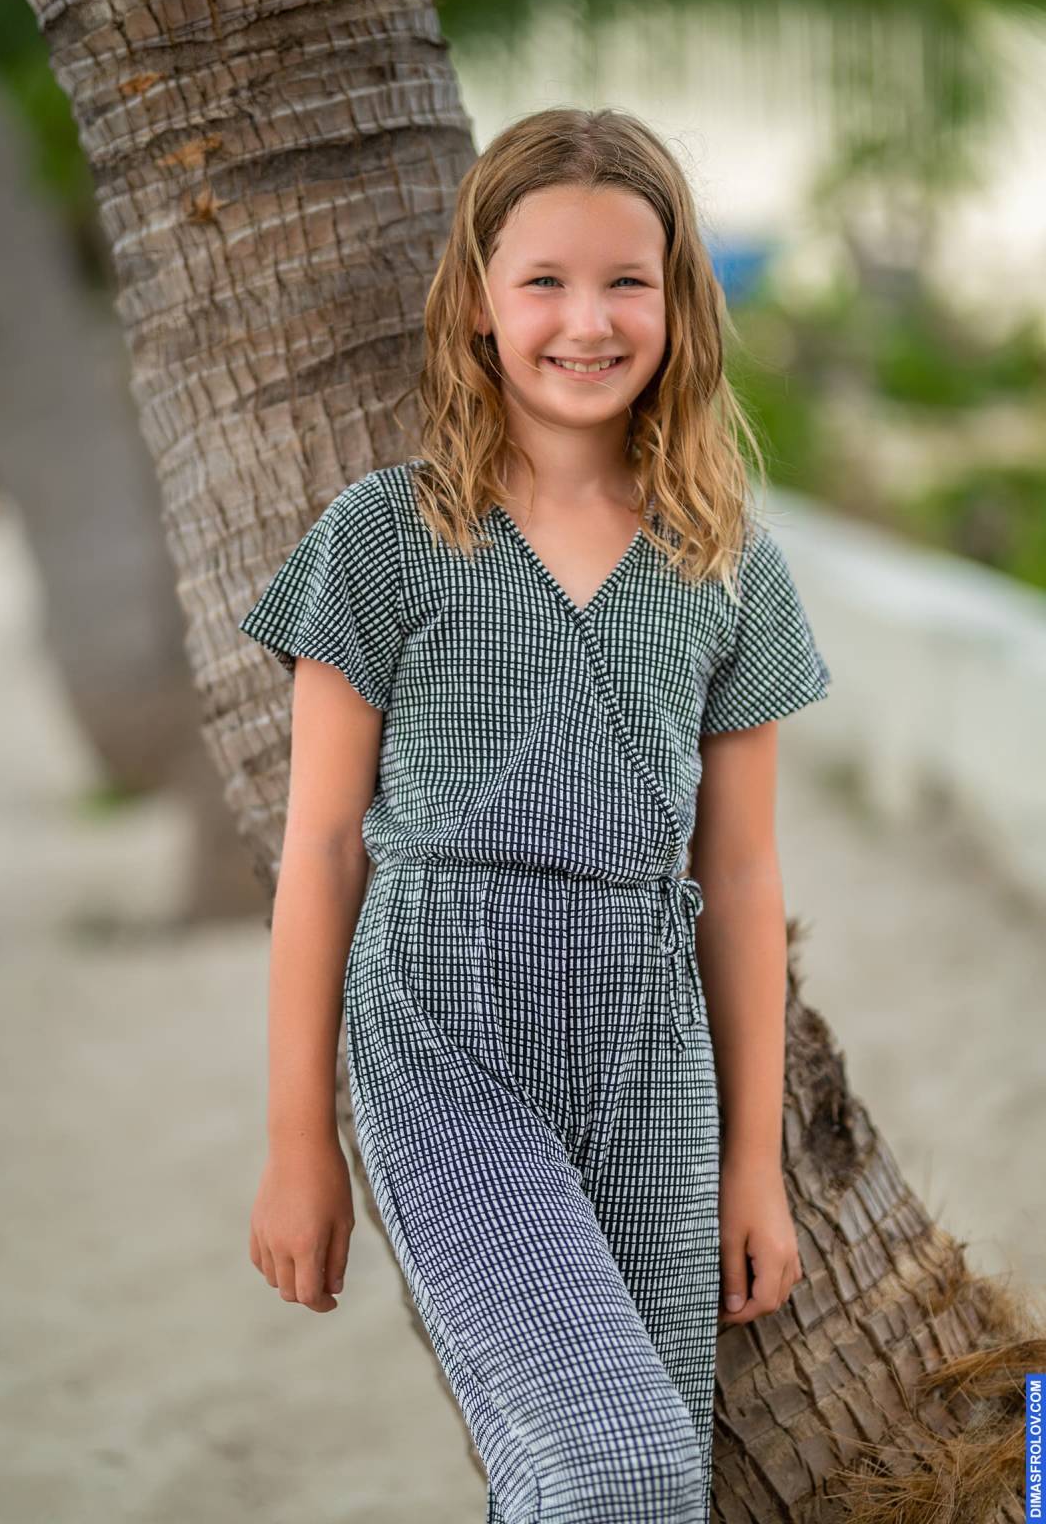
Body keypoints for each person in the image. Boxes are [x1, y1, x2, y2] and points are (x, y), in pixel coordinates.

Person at [237, 106, 832, 1524]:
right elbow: (322, 849)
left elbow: (742, 874)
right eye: (545, 282)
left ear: (680, 305)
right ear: (478, 302)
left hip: (651, 1061)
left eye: (628, 281)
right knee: (616, 1458)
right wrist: (299, 1139)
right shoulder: (384, 539)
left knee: (612, 1479)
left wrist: (753, 1166)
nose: (588, 320)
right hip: (444, 1046)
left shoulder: (726, 560)